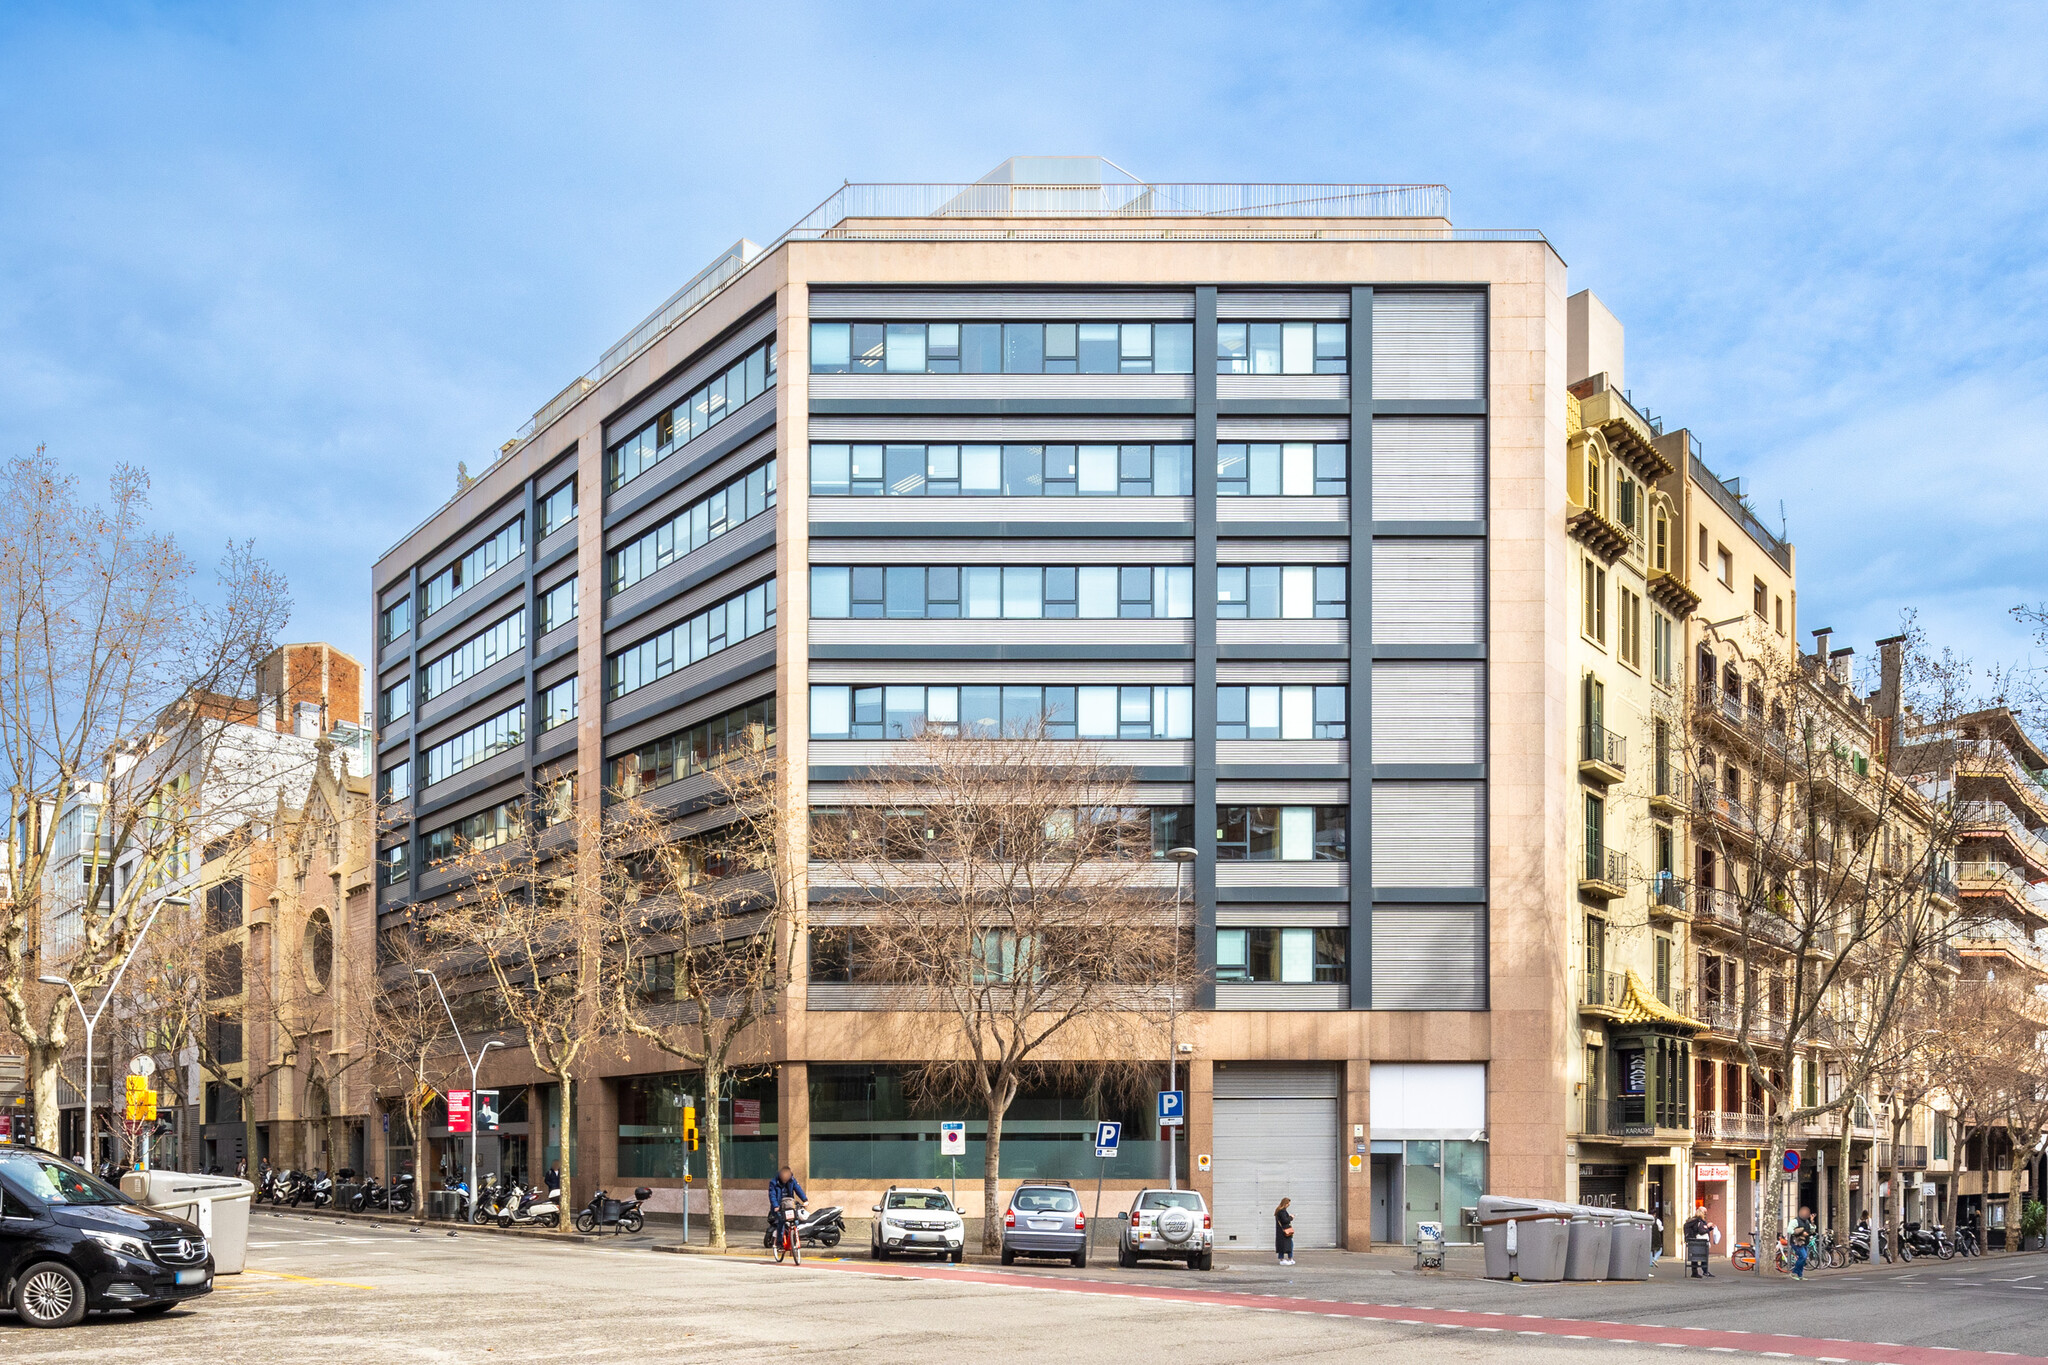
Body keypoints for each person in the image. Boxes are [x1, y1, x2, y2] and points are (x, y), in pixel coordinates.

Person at [767, 1165, 807, 1249]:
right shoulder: (774, 1182)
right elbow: (772, 1195)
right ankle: (779, 1243)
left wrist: (805, 1200)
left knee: (795, 1221)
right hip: (778, 1207)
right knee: (781, 1222)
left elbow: (798, 1189)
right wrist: (775, 1206)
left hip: (789, 1205)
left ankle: (793, 1240)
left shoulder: (792, 1181)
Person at [1683, 1205, 1717, 1278]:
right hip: (1699, 1242)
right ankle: (1703, 1271)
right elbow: (1701, 1231)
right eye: (1705, 1213)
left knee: (1695, 1256)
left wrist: (1708, 1228)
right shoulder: (1698, 1221)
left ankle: (1697, 1272)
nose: (1706, 1214)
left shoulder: (1694, 1220)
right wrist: (1708, 1228)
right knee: (1701, 1255)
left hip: (1694, 1241)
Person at [1789, 1205, 1816, 1280]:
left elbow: (1812, 1230)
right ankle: (1794, 1272)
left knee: (1804, 1258)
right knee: (1803, 1256)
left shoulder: (1807, 1221)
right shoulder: (1795, 1221)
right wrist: (1801, 1232)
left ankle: (1800, 1275)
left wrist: (1812, 1221)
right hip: (1797, 1242)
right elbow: (1790, 1230)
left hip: (1805, 1242)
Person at [1274, 1197, 1295, 1266]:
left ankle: (1286, 1258)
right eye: (1288, 1203)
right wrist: (1291, 1217)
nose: (1289, 1205)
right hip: (1284, 1231)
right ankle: (1284, 1259)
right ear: (1285, 1203)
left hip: (1282, 1231)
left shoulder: (1279, 1211)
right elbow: (1285, 1220)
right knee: (1289, 1245)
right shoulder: (1282, 1211)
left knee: (1284, 1245)